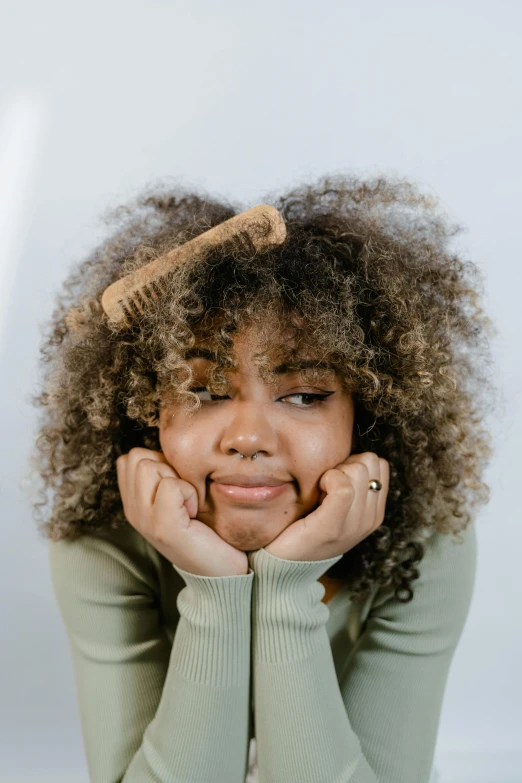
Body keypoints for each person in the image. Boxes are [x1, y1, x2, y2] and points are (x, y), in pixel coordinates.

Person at [27, 174, 494, 782]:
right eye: (202, 390)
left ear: (369, 415)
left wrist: (282, 588)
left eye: (303, 395)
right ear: (144, 406)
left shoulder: (425, 545)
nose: (249, 437)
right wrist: (215, 586)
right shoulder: (106, 536)